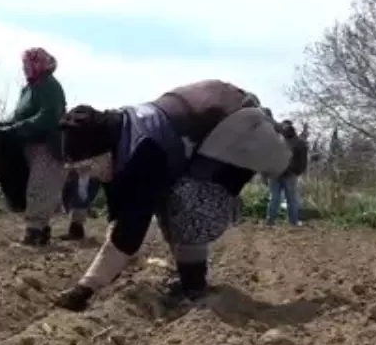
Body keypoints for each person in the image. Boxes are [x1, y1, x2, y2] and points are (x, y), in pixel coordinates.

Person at [51, 80, 291, 311]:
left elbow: (129, 232)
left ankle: (194, 286)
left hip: (240, 121)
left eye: (87, 166)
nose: (86, 175)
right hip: (209, 123)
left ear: (100, 152)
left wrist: (86, 288)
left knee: (189, 199)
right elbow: (119, 215)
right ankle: (192, 280)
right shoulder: (118, 140)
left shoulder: (142, 150)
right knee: (168, 199)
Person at [0, 47, 67, 246]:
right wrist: (3, 126)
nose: (25, 69)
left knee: (39, 188)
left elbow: (48, 116)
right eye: (24, 65)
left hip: (48, 146)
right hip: (29, 147)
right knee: (30, 188)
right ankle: (42, 230)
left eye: (28, 65)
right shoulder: (28, 89)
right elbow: (18, 116)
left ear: (39, 65)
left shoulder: (50, 86)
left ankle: (33, 233)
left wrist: (17, 128)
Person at [266, 120, 307, 226]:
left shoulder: (275, 141)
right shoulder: (299, 143)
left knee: (274, 198)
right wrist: (296, 172)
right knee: (291, 199)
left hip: (277, 173)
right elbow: (303, 161)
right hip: (288, 174)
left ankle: (271, 221)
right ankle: (293, 222)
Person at [60, 170, 100, 239]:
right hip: (75, 201)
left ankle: (76, 234)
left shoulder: (94, 178)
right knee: (77, 215)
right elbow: (65, 191)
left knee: (78, 215)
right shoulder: (72, 175)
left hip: (82, 201)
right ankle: (76, 234)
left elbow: (93, 192)